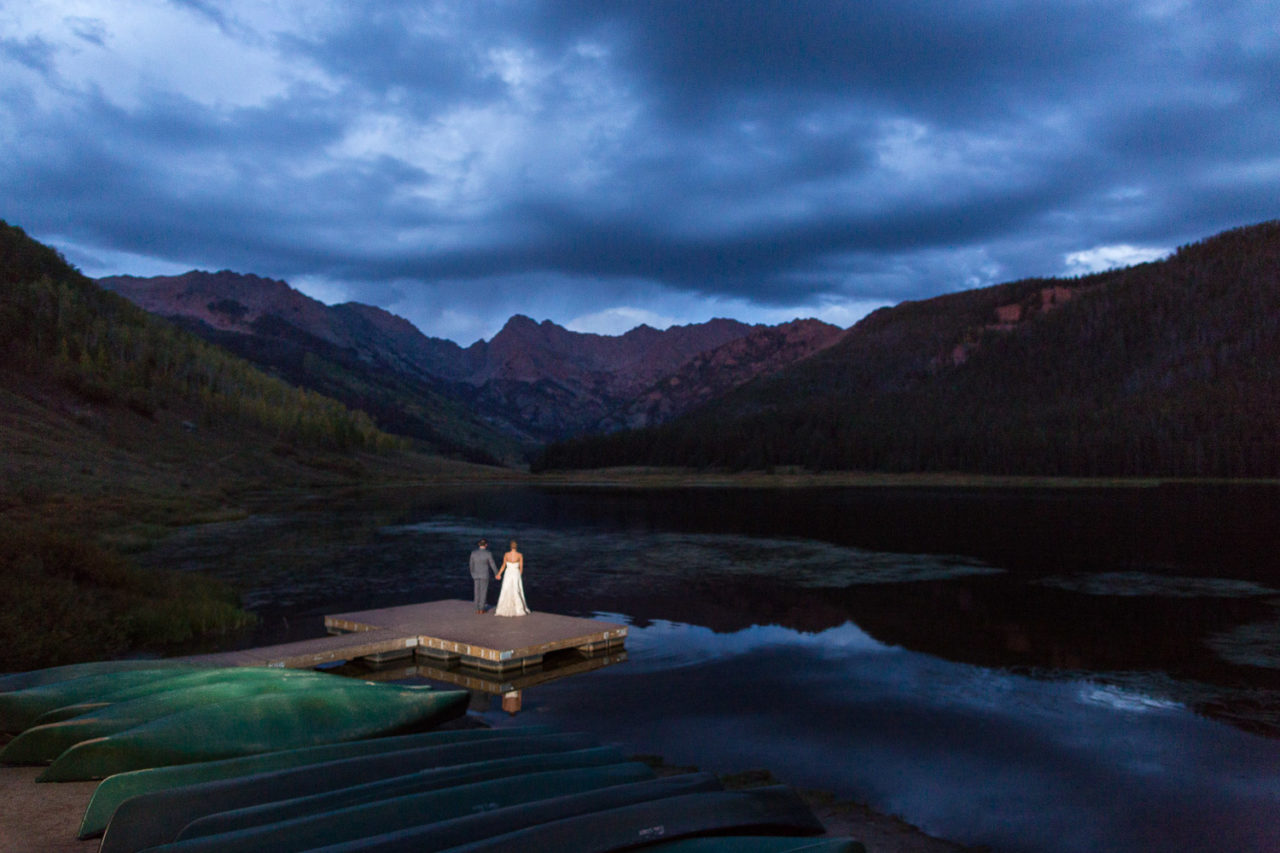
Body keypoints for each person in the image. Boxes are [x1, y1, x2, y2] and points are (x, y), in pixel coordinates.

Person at [494, 539, 530, 617]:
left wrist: (499, 574)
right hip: (516, 573)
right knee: (517, 589)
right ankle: (519, 609)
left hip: (508, 573)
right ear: (516, 547)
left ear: (510, 546)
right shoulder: (520, 555)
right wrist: (519, 575)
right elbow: (521, 567)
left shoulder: (506, 554)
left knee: (506, 588)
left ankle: (502, 608)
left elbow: (503, 565)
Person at [469, 539, 498, 614]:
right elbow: (492, 564)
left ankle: (477, 608)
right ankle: (481, 609)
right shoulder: (488, 553)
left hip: (476, 575)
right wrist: (496, 573)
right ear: (486, 545)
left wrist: (472, 574)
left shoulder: (473, 553)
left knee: (476, 591)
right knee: (483, 592)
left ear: (479, 544)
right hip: (484, 574)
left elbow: (471, 565)